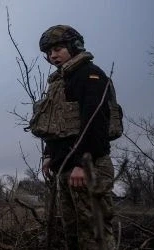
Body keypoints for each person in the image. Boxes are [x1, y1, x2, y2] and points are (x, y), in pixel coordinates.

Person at [30, 25, 123, 250]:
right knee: (73, 233)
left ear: (75, 46)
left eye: (59, 48)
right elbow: (57, 123)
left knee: (94, 233)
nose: (53, 55)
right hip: (66, 166)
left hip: (88, 166)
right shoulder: (60, 81)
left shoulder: (90, 75)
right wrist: (49, 154)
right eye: (49, 51)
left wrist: (84, 163)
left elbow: (95, 123)